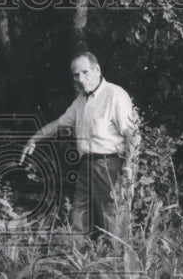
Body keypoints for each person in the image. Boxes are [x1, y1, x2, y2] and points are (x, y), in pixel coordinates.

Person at [20, 52, 140, 238]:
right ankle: (78, 264)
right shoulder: (80, 101)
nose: (81, 79)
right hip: (86, 166)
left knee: (113, 222)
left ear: (97, 70)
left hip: (111, 166)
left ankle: (118, 263)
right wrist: (34, 138)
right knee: (78, 218)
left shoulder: (115, 95)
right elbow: (60, 124)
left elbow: (132, 134)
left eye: (85, 72)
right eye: (76, 75)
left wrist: (128, 167)